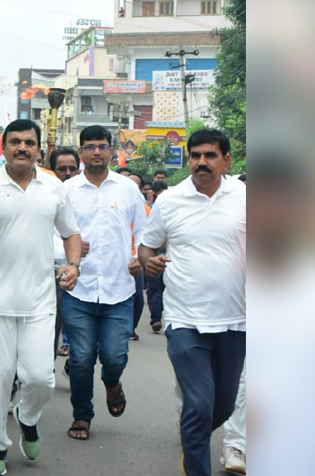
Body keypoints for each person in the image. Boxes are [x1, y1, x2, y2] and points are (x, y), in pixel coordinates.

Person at [0, 119, 82, 476]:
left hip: (39, 301)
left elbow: (71, 233)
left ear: (39, 148)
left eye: (29, 142)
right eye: (15, 142)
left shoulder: (54, 187)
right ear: (4, 147)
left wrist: (73, 265)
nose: (22, 148)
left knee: (41, 378)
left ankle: (26, 416)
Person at [139, 128, 246, 476]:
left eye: (210, 155)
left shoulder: (246, 196)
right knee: (199, 404)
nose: (201, 162)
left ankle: (193, 441)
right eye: (195, 155)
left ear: (226, 160)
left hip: (236, 320)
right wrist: (148, 261)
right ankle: (196, 465)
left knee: (224, 407)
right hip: (184, 319)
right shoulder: (170, 200)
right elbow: (147, 246)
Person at [60, 126, 148, 442]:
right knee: (81, 359)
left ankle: (112, 381)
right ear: (81, 152)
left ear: (111, 151)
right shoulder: (67, 190)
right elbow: (53, 233)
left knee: (114, 356)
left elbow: (146, 231)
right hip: (78, 289)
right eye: (90, 146)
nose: (96, 152)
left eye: (102, 146)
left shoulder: (127, 189)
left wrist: (140, 256)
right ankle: (82, 416)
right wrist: (66, 252)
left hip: (119, 288)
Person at [48, 146, 81, 357]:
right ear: (52, 170)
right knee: (48, 323)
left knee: (68, 323)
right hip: (44, 267)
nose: (67, 173)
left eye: (72, 169)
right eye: (61, 169)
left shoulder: (85, 195)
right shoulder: (42, 193)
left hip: (73, 270)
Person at [144, 179, 170, 333]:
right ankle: (156, 319)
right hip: (154, 254)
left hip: (168, 256)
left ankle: (159, 318)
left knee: (159, 288)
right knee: (156, 287)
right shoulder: (148, 209)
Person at [126, 172, 147, 341]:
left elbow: (147, 232)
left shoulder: (145, 208)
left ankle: (130, 327)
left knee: (138, 296)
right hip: (115, 259)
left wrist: (139, 256)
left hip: (135, 259)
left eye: (135, 183)